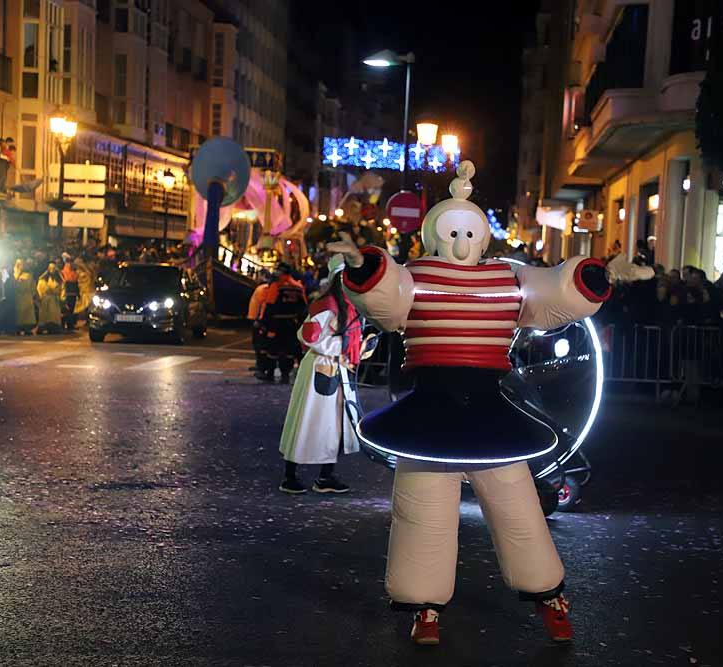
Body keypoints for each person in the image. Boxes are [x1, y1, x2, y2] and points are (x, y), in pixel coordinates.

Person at [328, 161, 653, 646]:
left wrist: (601, 276)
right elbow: (389, 299)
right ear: (435, 237)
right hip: (434, 411)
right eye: (452, 231)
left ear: (481, 238)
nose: (460, 242)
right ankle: (428, 610)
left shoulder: (507, 280)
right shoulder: (414, 277)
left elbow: (556, 292)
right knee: (425, 513)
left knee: (517, 511)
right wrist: (365, 271)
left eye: (468, 232)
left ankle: (549, 597)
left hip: (478, 412)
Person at [277, 259, 362, 494]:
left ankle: (326, 476)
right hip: (321, 367)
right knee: (307, 420)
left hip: (335, 368)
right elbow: (307, 337)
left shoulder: (346, 306)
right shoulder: (328, 305)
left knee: (332, 426)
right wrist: (341, 350)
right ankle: (290, 475)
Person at [253, 264, 307, 383]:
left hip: (276, 323)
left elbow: (270, 305)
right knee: (289, 350)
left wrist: (263, 323)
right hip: (292, 324)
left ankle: (270, 374)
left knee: (272, 349)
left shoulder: (276, 286)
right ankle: (285, 375)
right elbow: (303, 307)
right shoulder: (298, 287)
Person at [35, 262, 63, 334]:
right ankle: (43, 327)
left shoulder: (59, 280)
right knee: (45, 315)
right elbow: (39, 289)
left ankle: (54, 328)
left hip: (54, 300)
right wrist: (40, 298)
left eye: (53, 269)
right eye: (50, 268)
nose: (52, 270)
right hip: (45, 300)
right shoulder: (42, 279)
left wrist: (62, 298)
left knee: (54, 315)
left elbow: (62, 289)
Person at [13, 259, 36, 335]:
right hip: (18, 297)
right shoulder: (14, 275)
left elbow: (32, 286)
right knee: (19, 313)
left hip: (26, 297)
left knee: (27, 313)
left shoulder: (28, 275)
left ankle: (27, 328)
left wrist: (32, 295)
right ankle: (18, 328)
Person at [60, 257, 79, 331]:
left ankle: (69, 324)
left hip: (71, 293)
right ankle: (66, 324)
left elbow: (76, 283)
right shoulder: (65, 272)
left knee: (70, 310)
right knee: (66, 309)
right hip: (67, 293)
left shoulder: (73, 272)